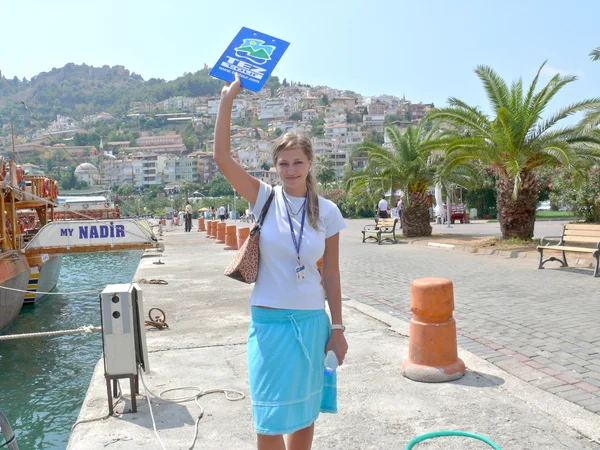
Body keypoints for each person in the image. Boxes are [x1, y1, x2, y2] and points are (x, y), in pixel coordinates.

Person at [214, 72, 348, 450]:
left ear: (309, 163)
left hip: (311, 323)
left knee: (306, 413)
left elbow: (332, 275)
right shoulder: (265, 198)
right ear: (275, 166)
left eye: (297, 162)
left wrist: (337, 328)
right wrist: (228, 99)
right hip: (270, 322)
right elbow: (222, 159)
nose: (290, 170)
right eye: (283, 164)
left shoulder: (329, 212)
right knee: (269, 417)